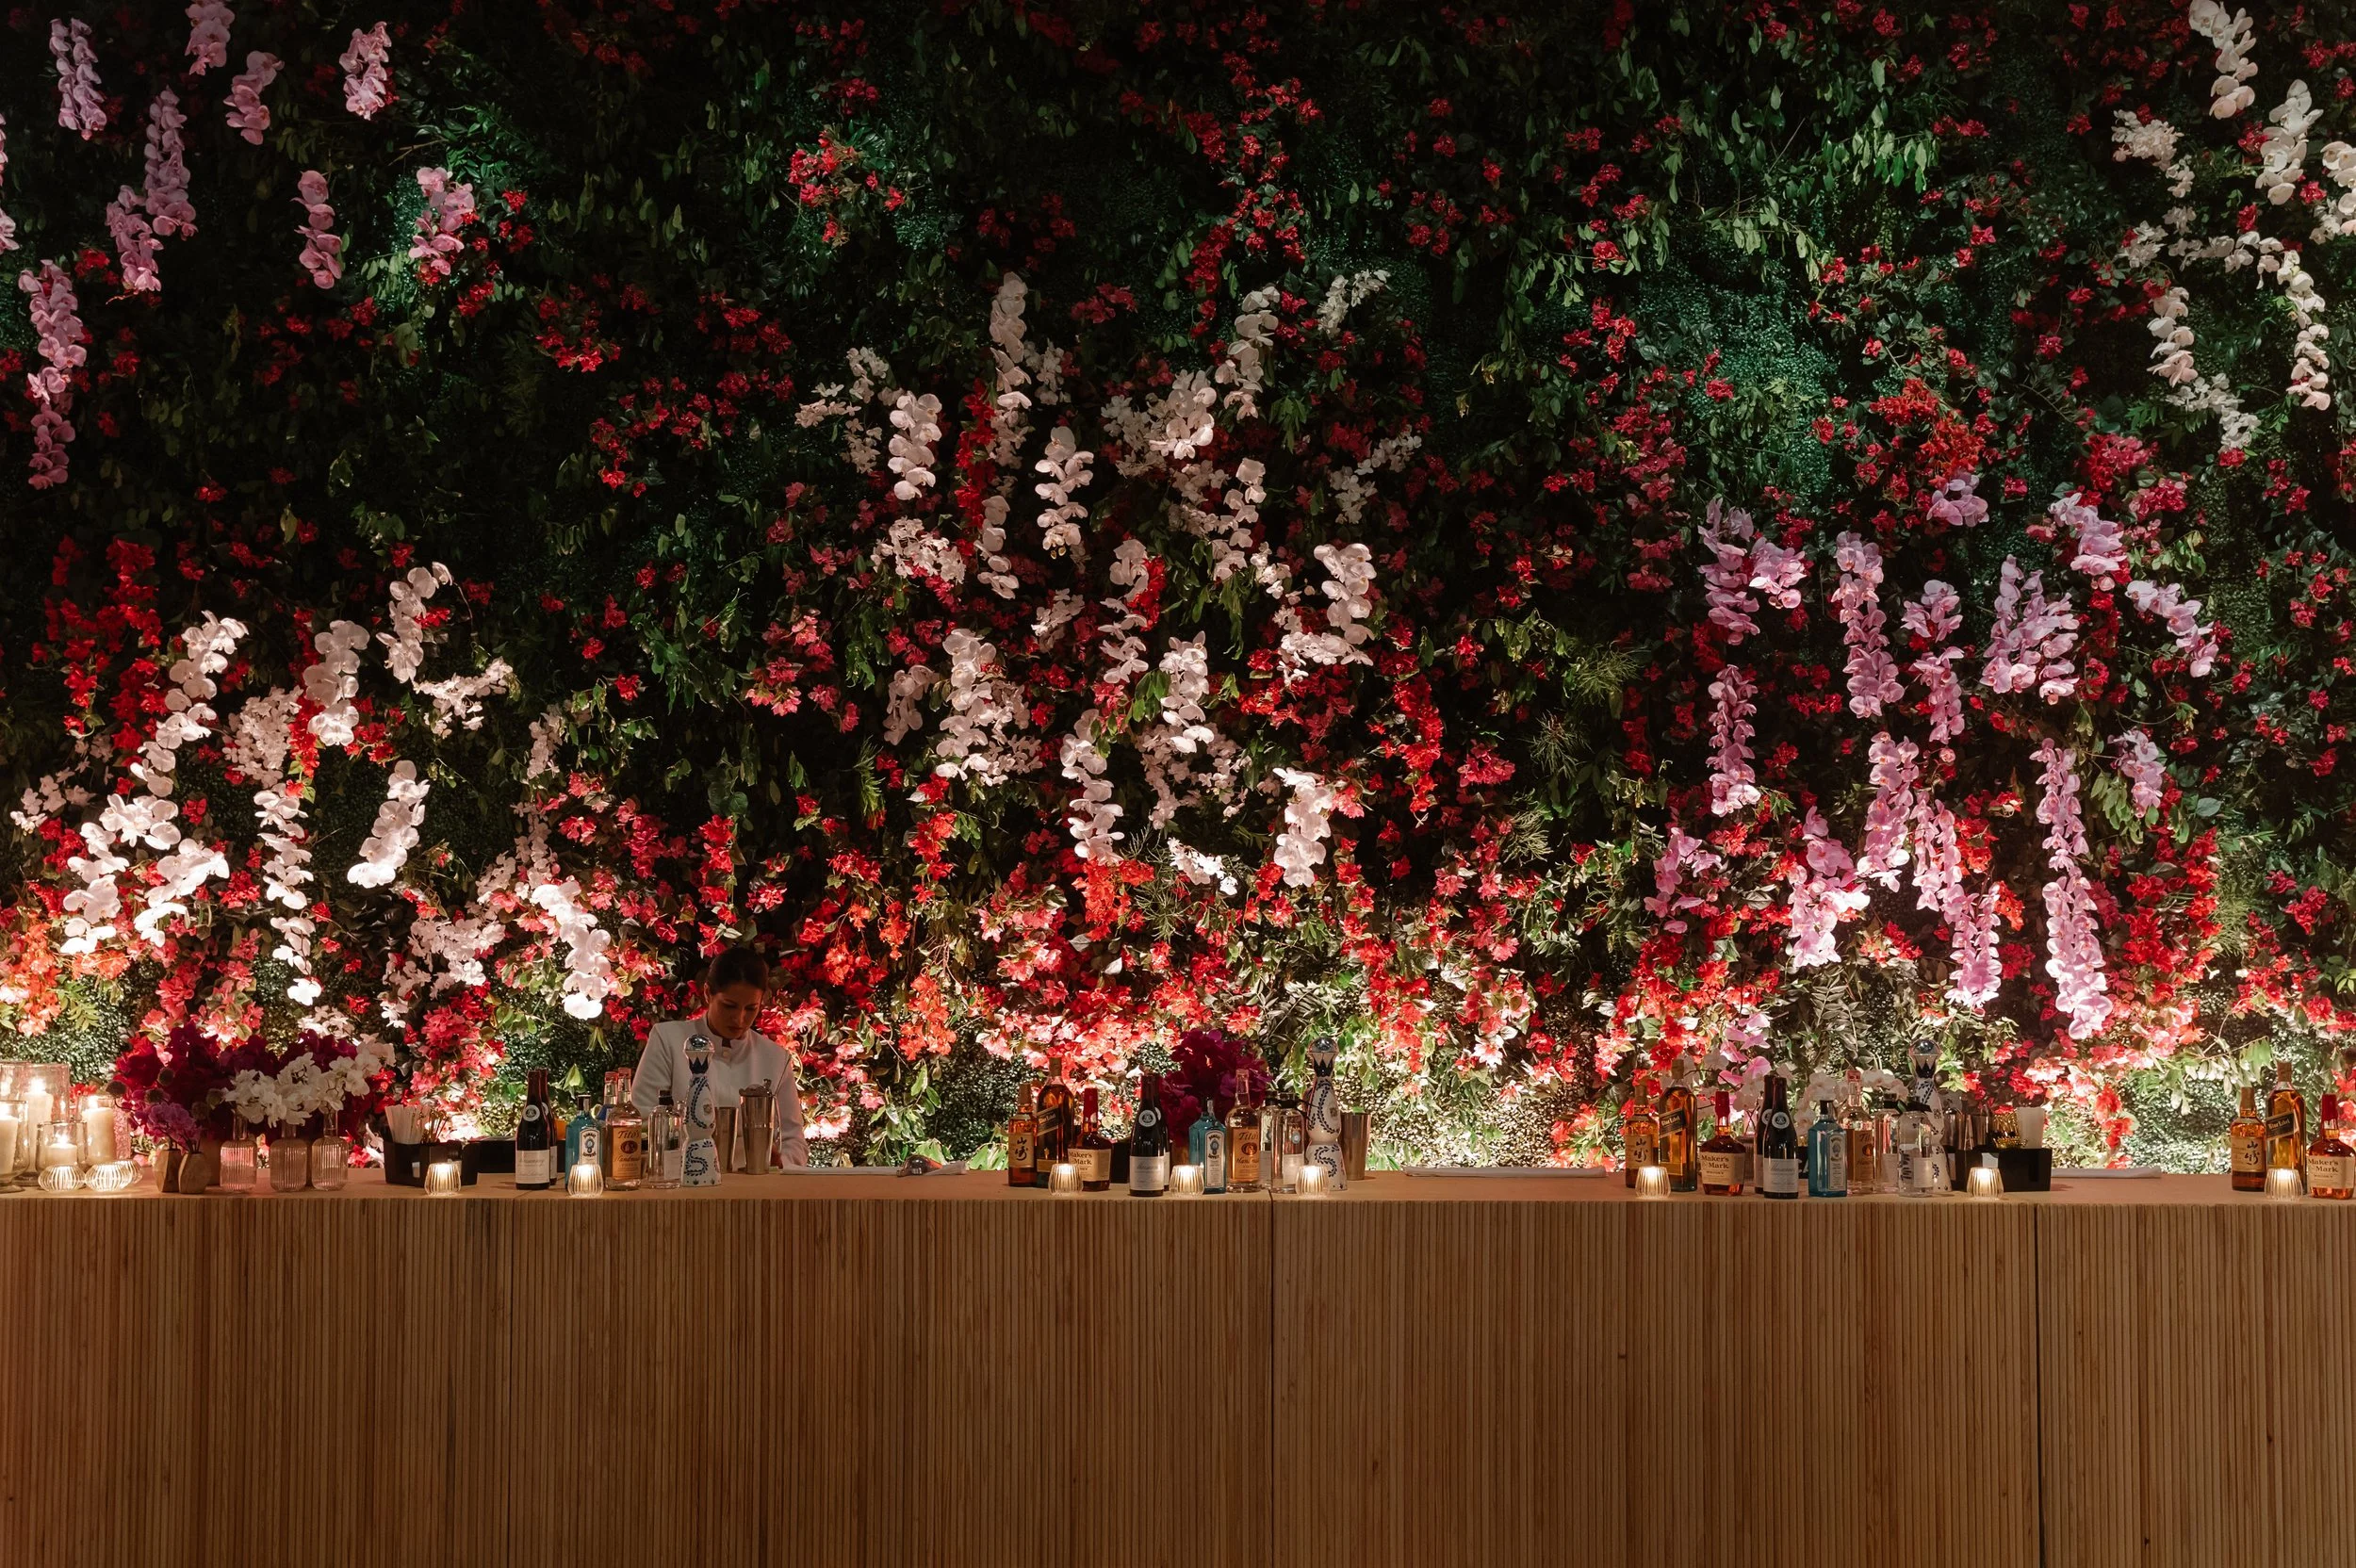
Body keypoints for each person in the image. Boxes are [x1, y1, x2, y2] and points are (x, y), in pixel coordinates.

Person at [631, 946, 809, 1168]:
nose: (739, 1019)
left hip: (753, 1191)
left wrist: (782, 1161)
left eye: (751, 1008)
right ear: (707, 993)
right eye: (729, 1006)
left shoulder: (775, 1058)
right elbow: (644, 1121)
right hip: (681, 1184)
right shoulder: (669, 1039)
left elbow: (794, 1140)